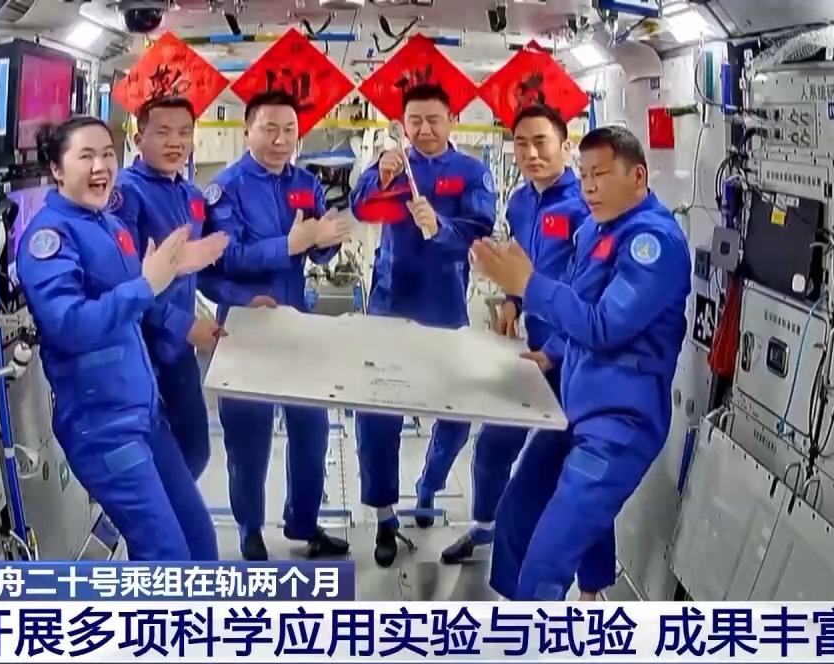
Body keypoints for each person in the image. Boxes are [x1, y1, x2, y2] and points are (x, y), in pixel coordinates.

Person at [471, 125, 691, 600]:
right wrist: (552, 353)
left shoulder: (654, 245)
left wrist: (528, 285)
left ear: (638, 176)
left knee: (548, 556)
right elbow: (580, 301)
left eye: (601, 175)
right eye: (584, 175)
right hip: (574, 405)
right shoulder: (594, 229)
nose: (589, 187)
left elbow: (604, 325)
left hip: (620, 421)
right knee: (515, 517)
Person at [16, 116, 229, 561]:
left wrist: (173, 273)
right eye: (85, 156)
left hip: (145, 416)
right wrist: (147, 283)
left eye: (107, 155)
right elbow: (68, 325)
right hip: (104, 429)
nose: (100, 167)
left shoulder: (110, 225)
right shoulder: (49, 238)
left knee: (200, 543)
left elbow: (137, 299)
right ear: (56, 169)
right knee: (166, 558)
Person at [199, 90, 354, 561]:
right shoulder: (225, 189)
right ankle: (250, 528)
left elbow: (318, 252)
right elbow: (225, 258)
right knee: (249, 440)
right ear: (247, 130)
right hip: (244, 327)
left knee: (312, 430)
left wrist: (326, 240)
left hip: (295, 325)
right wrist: (291, 243)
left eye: (289, 130)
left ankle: (304, 523)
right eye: (270, 129)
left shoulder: (305, 183)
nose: (281, 139)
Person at [349, 83, 497, 567]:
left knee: (455, 414)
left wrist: (439, 227)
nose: (424, 129)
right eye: (415, 120)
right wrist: (379, 176)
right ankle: (384, 516)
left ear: (451, 120)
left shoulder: (470, 172)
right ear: (403, 124)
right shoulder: (394, 166)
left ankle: (429, 484)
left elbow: (480, 228)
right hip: (390, 303)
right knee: (377, 412)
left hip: (445, 306)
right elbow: (360, 207)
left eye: (434, 119)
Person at [438, 104, 589, 565]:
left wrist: (556, 350)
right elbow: (523, 260)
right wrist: (512, 302)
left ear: (566, 146)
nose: (531, 153)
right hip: (531, 350)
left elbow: (590, 287)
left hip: (575, 355)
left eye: (541, 142)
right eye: (521, 144)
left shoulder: (585, 206)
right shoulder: (522, 202)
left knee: (568, 465)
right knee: (493, 445)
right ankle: (485, 527)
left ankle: (562, 560)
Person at [109, 96, 219, 480]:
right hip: (139, 346)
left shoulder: (191, 196)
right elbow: (124, 281)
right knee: (145, 457)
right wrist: (182, 324)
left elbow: (201, 266)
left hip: (179, 350)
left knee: (195, 450)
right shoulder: (125, 195)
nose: (175, 142)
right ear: (138, 138)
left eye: (184, 133)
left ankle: (168, 514)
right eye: (163, 132)